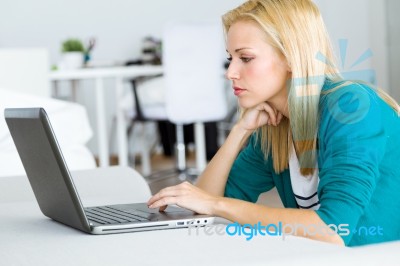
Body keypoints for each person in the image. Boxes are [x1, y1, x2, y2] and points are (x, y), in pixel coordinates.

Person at [148, 0, 400, 246]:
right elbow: (203, 208)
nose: (230, 73)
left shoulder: (349, 107)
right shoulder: (275, 128)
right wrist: (239, 132)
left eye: (245, 58)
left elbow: (332, 230)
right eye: (230, 59)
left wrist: (215, 204)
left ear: (291, 57)